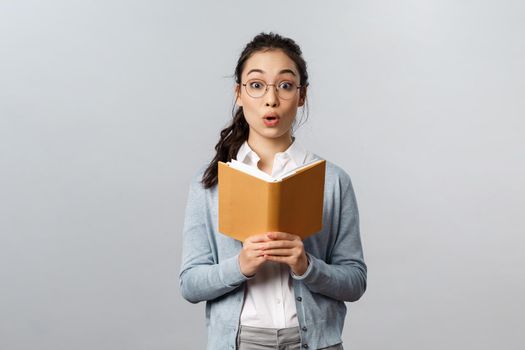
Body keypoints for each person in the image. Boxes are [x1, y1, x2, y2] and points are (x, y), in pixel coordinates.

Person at [179, 32, 367, 350]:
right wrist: (240, 265)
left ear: (302, 95)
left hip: (314, 343)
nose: (271, 100)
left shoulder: (332, 180)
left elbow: (355, 281)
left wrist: (307, 266)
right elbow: (190, 284)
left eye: (285, 85)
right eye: (256, 85)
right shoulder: (209, 183)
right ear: (238, 93)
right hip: (240, 342)